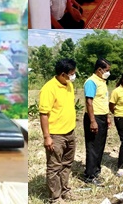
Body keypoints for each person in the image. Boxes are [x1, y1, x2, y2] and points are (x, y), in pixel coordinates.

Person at [39, 58, 78, 203]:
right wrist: (47, 137)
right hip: (56, 135)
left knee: (67, 164)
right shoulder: (49, 89)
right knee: (54, 167)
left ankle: (65, 190)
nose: (74, 76)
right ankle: (55, 198)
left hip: (70, 132)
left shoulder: (68, 84)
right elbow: (43, 114)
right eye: (72, 73)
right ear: (63, 74)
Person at [83, 58, 112, 185]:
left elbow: (102, 100)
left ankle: (96, 171)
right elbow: (89, 102)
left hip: (102, 117)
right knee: (93, 147)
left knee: (100, 145)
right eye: (107, 70)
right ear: (99, 70)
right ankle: (89, 175)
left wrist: (107, 117)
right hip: (94, 118)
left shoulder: (102, 81)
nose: (108, 73)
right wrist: (92, 121)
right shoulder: (91, 82)